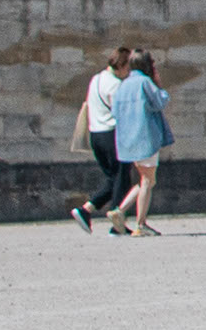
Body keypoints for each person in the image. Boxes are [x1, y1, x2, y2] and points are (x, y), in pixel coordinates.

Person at [102, 50, 172, 237]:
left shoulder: (124, 85)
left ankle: (120, 210)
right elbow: (161, 101)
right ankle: (141, 223)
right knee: (148, 180)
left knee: (145, 179)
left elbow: (115, 112)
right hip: (145, 137)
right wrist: (158, 83)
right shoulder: (145, 82)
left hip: (128, 139)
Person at [71, 46, 134, 229]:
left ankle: (87, 209)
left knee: (114, 178)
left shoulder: (96, 79)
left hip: (96, 134)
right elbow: (121, 113)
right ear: (121, 66)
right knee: (122, 178)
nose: (128, 73)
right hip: (111, 134)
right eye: (127, 68)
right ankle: (116, 222)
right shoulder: (116, 86)